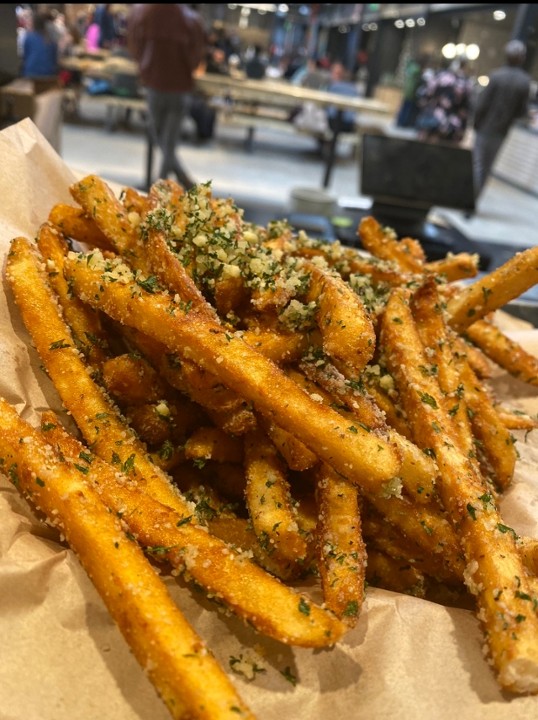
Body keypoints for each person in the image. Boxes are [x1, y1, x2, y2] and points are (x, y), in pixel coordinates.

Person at [127, 4, 207, 189]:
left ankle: (161, 185)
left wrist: (145, 70)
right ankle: (173, 182)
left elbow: (134, 47)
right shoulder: (192, 19)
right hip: (180, 88)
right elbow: (196, 58)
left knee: (161, 138)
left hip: (154, 85)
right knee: (168, 141)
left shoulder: (143, 12)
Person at [472, 39, 532, 198]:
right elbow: (521, 111)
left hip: (485, 127)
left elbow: (482, 104)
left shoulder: (497, 76)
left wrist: (476, 123)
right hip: (500, 130)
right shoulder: (524, 81)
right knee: (485, 167)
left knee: (477, 164)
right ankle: (473, 200)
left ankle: (468, 199)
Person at [415, 57, 473, 145]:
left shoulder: (438, 76)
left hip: (432, 119)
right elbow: (465, 109)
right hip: (451, 125)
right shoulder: (466, 82)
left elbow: (423, 95)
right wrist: (462, 130)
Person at [21, 10, 59, 79]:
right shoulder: (51, 39)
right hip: (49, 74)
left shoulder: (29, 37)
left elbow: (25, 57)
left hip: (30, 73)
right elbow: (55, 59)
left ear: (34, 23)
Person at [396, 53, 430, 129]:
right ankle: (404, 123)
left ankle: (400, 122)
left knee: (404, 108)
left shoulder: (411, 68)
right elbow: (417, 84)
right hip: (412, 93)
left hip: (407, 92)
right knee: (407, 109)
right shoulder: (417, 71)